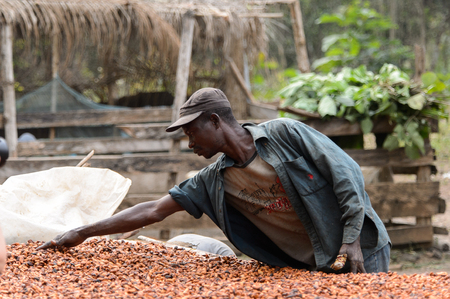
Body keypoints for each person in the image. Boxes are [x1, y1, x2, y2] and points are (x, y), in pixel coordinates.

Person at [38, 88, 391, 273]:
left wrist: (351, 240)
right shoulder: (212, 180)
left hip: (360, 249)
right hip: (309, 265)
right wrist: (82, 233)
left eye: (193, 131)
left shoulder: (285, 133)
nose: (190, 142)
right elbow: (153, 211)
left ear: (215, 121)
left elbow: (347, 175)